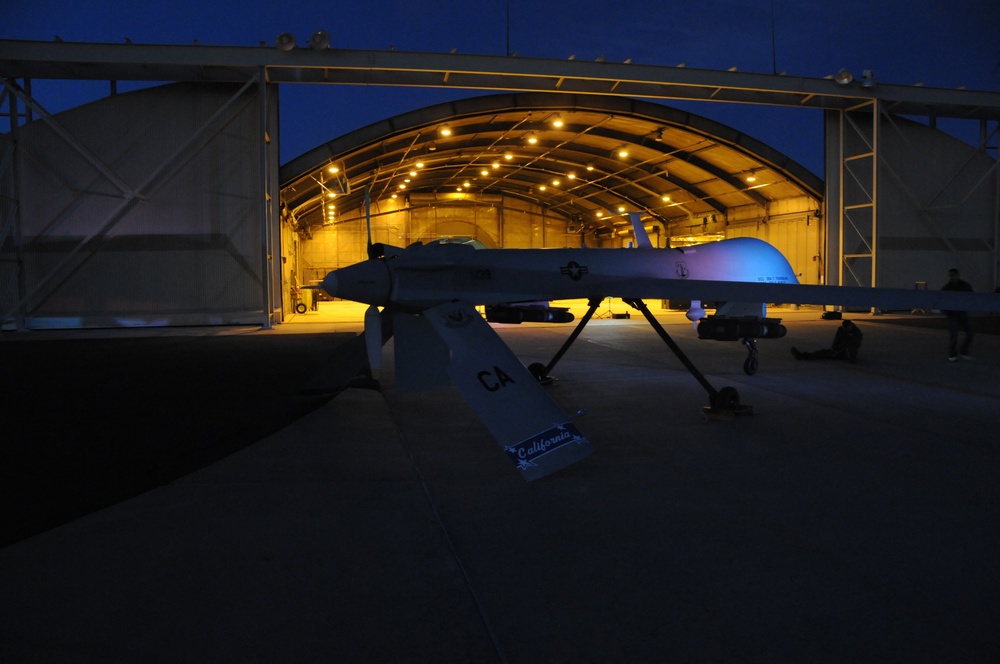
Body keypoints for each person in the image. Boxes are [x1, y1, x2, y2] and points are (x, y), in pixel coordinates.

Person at [791, 319, 863, 362]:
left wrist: (839, 351)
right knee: (823, 353)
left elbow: (855, 344)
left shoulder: (857, 332)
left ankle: (850, 358)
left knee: (851, 350)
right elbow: (836, 340)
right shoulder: (841, 329)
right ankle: (803, 355)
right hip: (840, 348)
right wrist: (834, 349)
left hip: (848, 350)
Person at [942, 268, 974, 361]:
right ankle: (953, 354)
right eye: (950, 276)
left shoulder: (965, 285)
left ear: (957, 275)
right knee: (953, 335)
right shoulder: (947, 288)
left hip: (962, 312)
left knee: (970, 332)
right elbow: (942, 299)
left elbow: (971, 296)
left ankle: (963, 350)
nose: (951, 277)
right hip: (952, 314)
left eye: (953, 275)